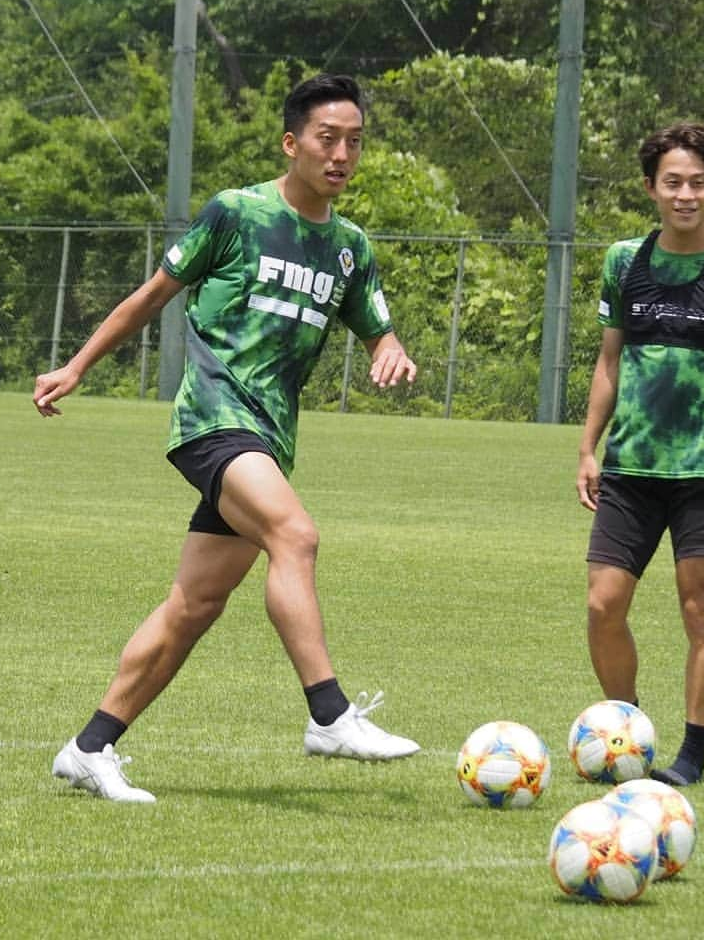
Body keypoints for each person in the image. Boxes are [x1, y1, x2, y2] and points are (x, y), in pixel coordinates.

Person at [34, 73, 420, 803]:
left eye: (354, 142)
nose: (341, 153)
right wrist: (78, 365)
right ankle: (329, 715)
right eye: (327, 138)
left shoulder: (349, 247)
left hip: (266, 438)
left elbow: (378, 328)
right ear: (292, 142)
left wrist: (387, 350)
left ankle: (90, 748)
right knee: (295, 535)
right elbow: (152, 297)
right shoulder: (237, 214)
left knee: (194, 607)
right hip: (212, 420)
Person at [576, 122, 704, 786]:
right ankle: (627, 733)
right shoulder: (623, 261)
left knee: (700, 608)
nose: (686, 194)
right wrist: (587, 448)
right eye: (673, 182)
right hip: (629, 468)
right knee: (603, 605)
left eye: (698, 182)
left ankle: (690, 756)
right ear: (650, 188)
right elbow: (609, 361)